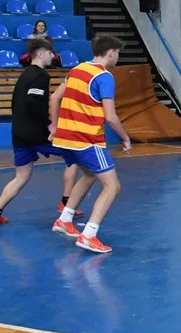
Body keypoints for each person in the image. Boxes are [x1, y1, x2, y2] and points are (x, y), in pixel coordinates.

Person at [0, 39, 85, 226]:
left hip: (19, 134)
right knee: (74, 157)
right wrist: (49, 125)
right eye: (50, 53)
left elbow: (17, 104)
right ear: (40, 53)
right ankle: (66, 205)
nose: (52, 56)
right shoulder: (41, 76)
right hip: (36, 134)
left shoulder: (24, 75)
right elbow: (32, 102)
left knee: (21, 177)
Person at [48, 35, 132, 253]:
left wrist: (54, 127)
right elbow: (110, 117)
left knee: (90, 174)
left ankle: (65, 219)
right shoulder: (104, 76)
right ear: (111, 53)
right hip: (87, 140)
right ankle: (89, 235)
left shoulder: (76, 70)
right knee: (112, 186)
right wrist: (125, 138)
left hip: (65, 139)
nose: (118, 57)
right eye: (118, 53)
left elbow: (54, 98)